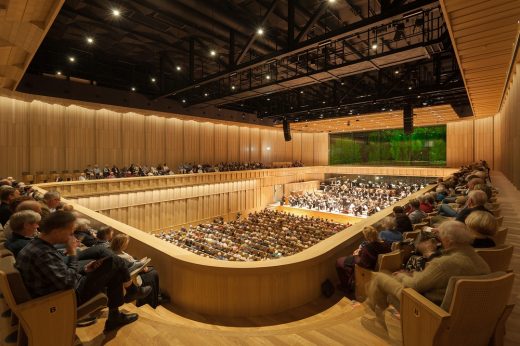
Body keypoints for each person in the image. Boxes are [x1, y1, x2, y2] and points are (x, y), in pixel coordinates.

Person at [15, 211, 151, 332]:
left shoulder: (36, 246)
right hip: (64, 299)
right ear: (57, 231)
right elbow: (69, 282)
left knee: (113, 265)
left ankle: (116, 314)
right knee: (115, 261)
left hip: (59, 292)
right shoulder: (42, 254)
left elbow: (59, 272)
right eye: (70, 232)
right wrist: (72, 253)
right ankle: (131, 291)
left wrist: (85, 269)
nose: (72, 236)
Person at [363, 221, 490, 332]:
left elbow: (413, 285)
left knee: (380, 277)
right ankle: (375, 312)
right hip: (463, 315)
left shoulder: (444, 264)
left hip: (430, 311)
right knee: (390, 283)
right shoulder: (480, 260)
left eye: (440, 237)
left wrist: (402, 276)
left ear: (448, 240)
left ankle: (374, 315)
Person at [335, 226, 391, 297]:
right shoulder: (386, 244)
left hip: (369, 270)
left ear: (367, 237)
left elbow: (362, 264)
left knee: (338, 261)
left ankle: (346, 287)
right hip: (383, 269)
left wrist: (357, 255)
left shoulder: (368, 248)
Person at [111, 234, 163, 308]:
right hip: (132, 274)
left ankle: (157, 296)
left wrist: (140, 263)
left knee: (152, 270)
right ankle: (153, 300)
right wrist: (142, 264)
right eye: (126, 243)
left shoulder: (115, 251)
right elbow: (130, 268)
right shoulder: (121, 256)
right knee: (154, 273)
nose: (127, 244)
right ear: (121, 244)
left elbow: (132, 263)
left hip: (133, 269)